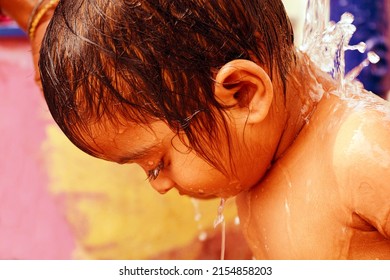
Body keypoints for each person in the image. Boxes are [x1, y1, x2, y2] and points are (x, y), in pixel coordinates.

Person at [38, 0, 390, 259]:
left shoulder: (360, 153)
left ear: (242, 93)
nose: (158, 185)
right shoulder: (261, 157)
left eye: (156, 163)